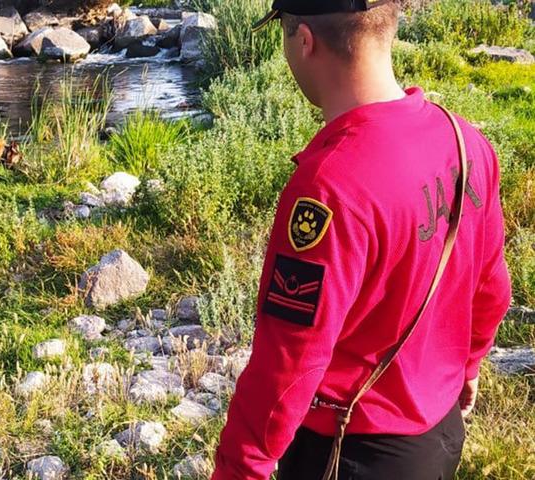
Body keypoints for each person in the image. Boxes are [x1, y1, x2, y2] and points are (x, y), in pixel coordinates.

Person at [213, 1, 511, 479]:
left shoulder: (329, 186)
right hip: (440, 433)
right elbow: (491, 286)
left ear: (304, 40)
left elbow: (289, 365)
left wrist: (239, 469)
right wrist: (470, 363)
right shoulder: (466, 139)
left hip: (348, 452)